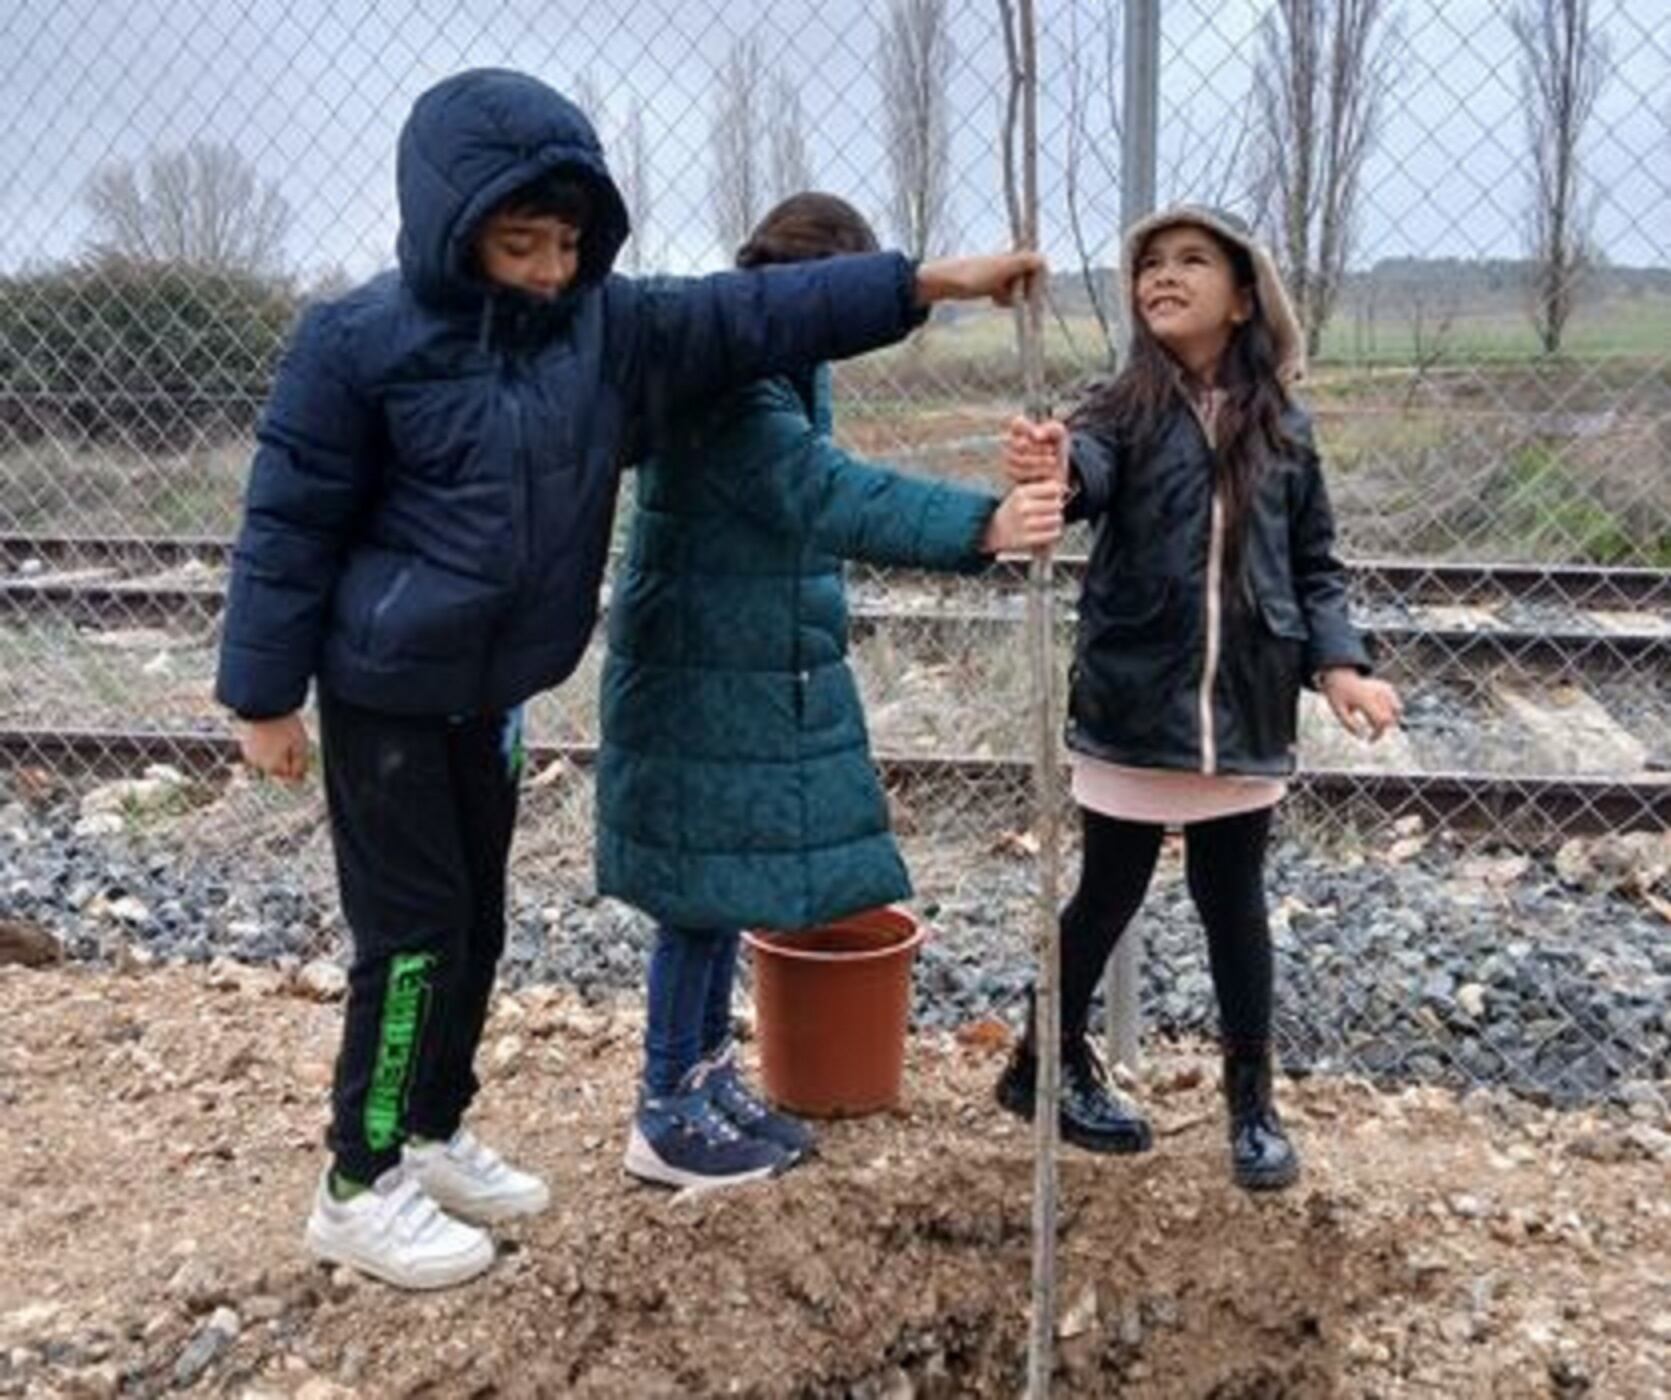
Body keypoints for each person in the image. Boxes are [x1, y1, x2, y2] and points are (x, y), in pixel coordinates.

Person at [215, 67, 1044, 1289]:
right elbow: (287, 521)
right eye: (520, 241)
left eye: (566, 242)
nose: (550, 267)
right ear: (452, 227)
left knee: (477, 928)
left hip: (491, 694)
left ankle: (432, 1131)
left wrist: (925, 281)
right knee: (410, 939)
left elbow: (746, 315)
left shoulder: (604, 329)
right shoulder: (356, 342)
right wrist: (262, 694)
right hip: (385, 692)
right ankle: (357, 1178)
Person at [593, 192, 1067, 1190]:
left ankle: (703, 1070)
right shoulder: (732, 380)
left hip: (728, 662)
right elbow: (823, 492)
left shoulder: (766, 357)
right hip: (701, 669)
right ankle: (666, 1105)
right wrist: (982, 524)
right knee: (695, 892)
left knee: (716, 886)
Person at [995, 205, 1401, 1190]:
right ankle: (1037, 1061)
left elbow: (1315, 565)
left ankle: (1250, 1105)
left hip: (1247, 706)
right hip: (1138, 701)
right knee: (1107, 891)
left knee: (1234, 904)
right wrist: (1050, 464)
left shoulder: (1285, 427)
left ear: (1243, 294)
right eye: (1148, 265)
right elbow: (1083, 473)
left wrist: (1339, 662)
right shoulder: (1116, 410)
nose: (1162, 276)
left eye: (1190, 261)